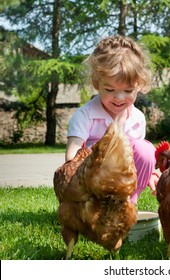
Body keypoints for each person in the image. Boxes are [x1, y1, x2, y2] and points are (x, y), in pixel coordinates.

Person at [65, 35, 158, 204]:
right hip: (90, 186)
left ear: (140, 86)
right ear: (96, 83)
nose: (119, 97)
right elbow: (72, 157)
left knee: (145, 150)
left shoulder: (137, 118)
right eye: (109, 89)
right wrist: (108, 147)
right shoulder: (85, 115)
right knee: (120, 144)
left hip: (122, 185)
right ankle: (95, 206)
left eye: (128, 91)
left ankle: (130, 203)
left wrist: (150, 172)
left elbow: (139, 159)